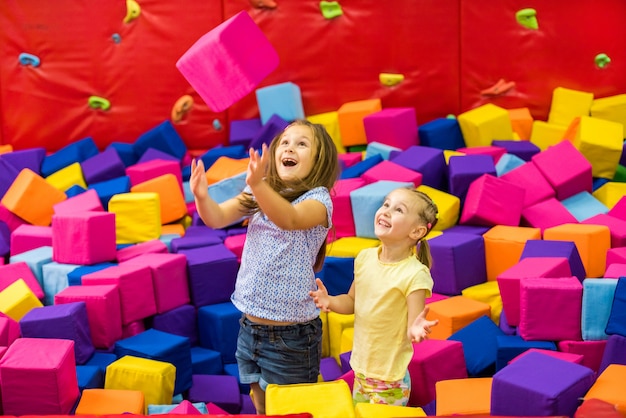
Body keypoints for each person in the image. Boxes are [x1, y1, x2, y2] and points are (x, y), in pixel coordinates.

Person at [189, 119, 339, 414]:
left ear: (319, 161)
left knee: (291, 407)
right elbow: (218, 218)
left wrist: (258, 185)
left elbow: (290, 219)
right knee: (259, 398)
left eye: (301, 143)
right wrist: (201, 196)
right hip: (250, 327)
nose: (289, 147)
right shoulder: (262, 192)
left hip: (291, 337)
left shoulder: (318, 200)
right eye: (285, 141)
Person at [310, 187, 440, 406]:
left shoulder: (414, 273)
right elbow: (352, 301)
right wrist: (330, 301)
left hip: (389, 382)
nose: (386, 211)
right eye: (386, 204)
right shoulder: (365, 258)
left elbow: (413, 324)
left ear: (416, 232)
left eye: (399, 209)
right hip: (360, 372)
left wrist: (416, 329)